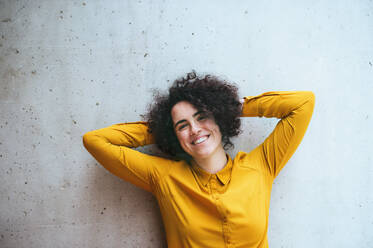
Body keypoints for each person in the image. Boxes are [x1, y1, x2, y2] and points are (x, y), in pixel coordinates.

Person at [82, 72, 315, 248]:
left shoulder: (261, 165)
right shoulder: (164, 177)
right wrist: (165, 130)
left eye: (202, 117)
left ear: (219, 119)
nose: (194, 129)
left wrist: (229, 107)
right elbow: (95, 141)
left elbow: (302, 104)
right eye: (183, 125)